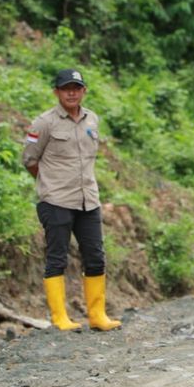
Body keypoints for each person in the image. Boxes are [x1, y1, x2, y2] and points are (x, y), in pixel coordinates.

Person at [22, 69, 122, 331]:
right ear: (56, 92)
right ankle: (59, 317)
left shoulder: (92, 120)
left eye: (76, 88)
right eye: (66, 88)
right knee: (57, 258)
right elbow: (29, 160)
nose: (71, 92)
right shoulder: (44, 123)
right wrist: (50, 184)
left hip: (88, 199)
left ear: (83, 91)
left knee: (96, 257)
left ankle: (97, 315)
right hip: (56, 201)